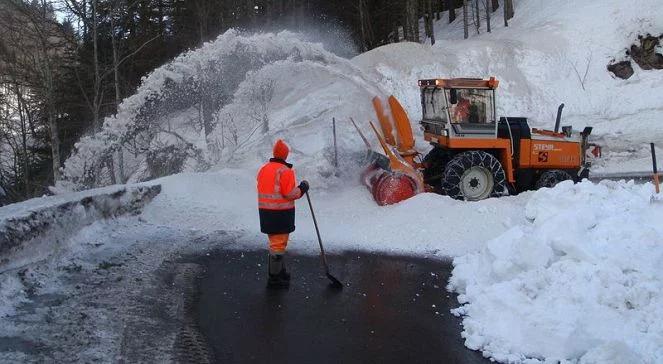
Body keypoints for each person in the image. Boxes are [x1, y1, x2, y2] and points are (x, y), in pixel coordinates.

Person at [257, 139, 309, 289]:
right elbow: (290, 193)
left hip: (265, 212)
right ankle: (274, 278)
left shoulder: (264, 169)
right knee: (278, 244)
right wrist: (302, 188)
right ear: (285, 155)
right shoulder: (285, 171)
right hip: (280, 213)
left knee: (274, 243)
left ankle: (279, 271)